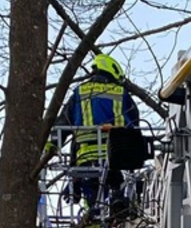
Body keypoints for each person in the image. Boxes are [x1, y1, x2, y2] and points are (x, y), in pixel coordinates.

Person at [50, 53, 140, 212]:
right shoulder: (121, 93)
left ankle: (93, 220)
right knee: (118, 195)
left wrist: (50, 147)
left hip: (86, 158)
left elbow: (63, 123)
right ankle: (115, 218)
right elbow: (135, 126)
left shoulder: (79, 93)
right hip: (116, 157)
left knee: (93, 201)